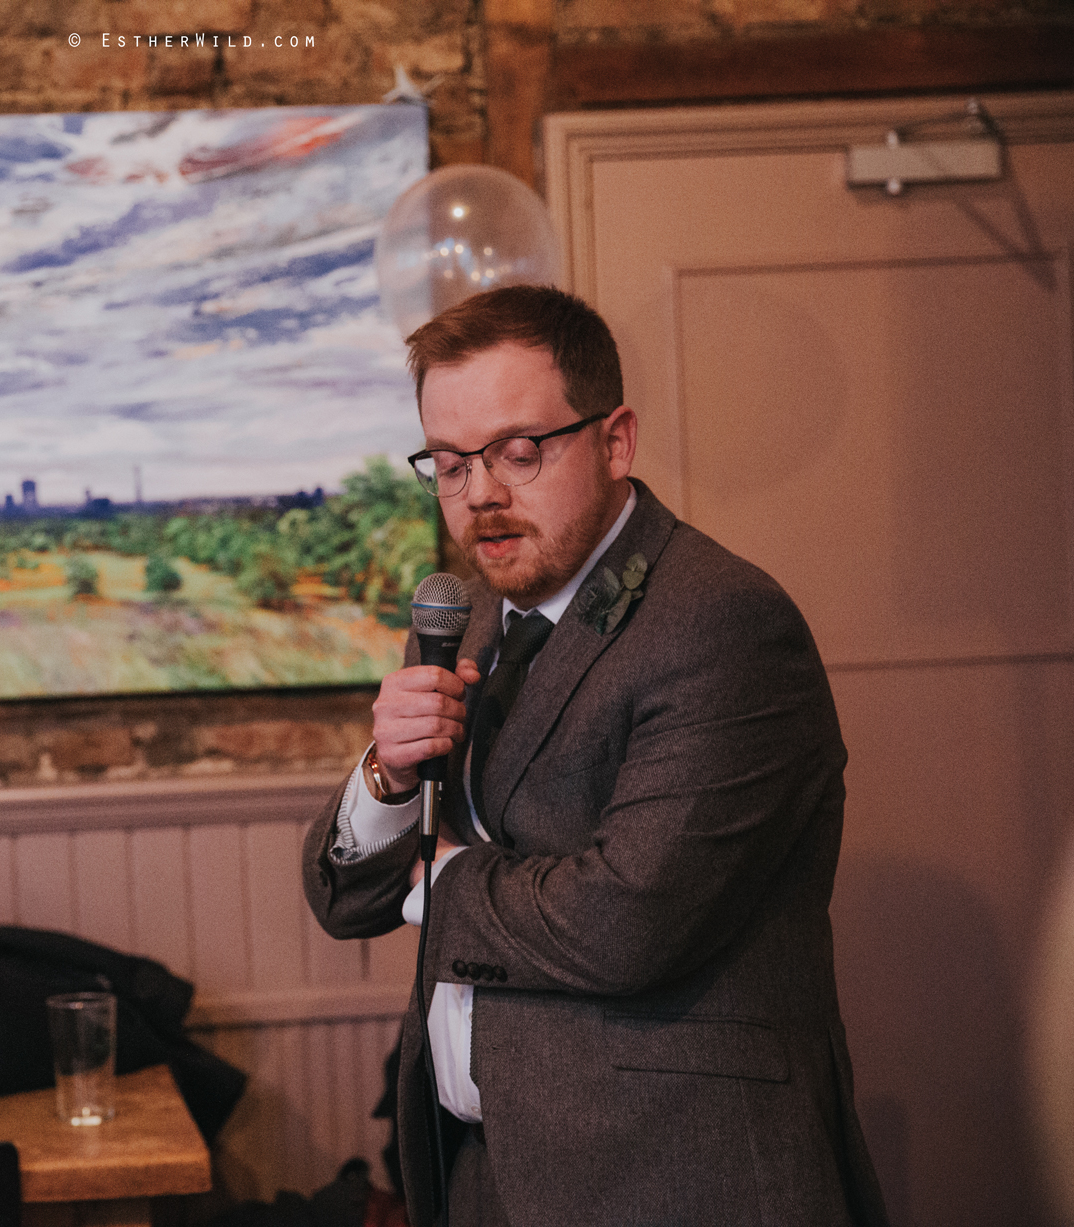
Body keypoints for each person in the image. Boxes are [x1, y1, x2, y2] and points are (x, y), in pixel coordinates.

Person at [302, 286, 888, 1226]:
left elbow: (625, 918)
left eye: (518, 450)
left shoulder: (721, 620)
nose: (481, 493)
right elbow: (341, 898)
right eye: (449, 464)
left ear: (615, 441)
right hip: (488, 1173)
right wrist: (388, 774)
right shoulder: (481, 619)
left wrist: (438, 873)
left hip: (676, 1172)